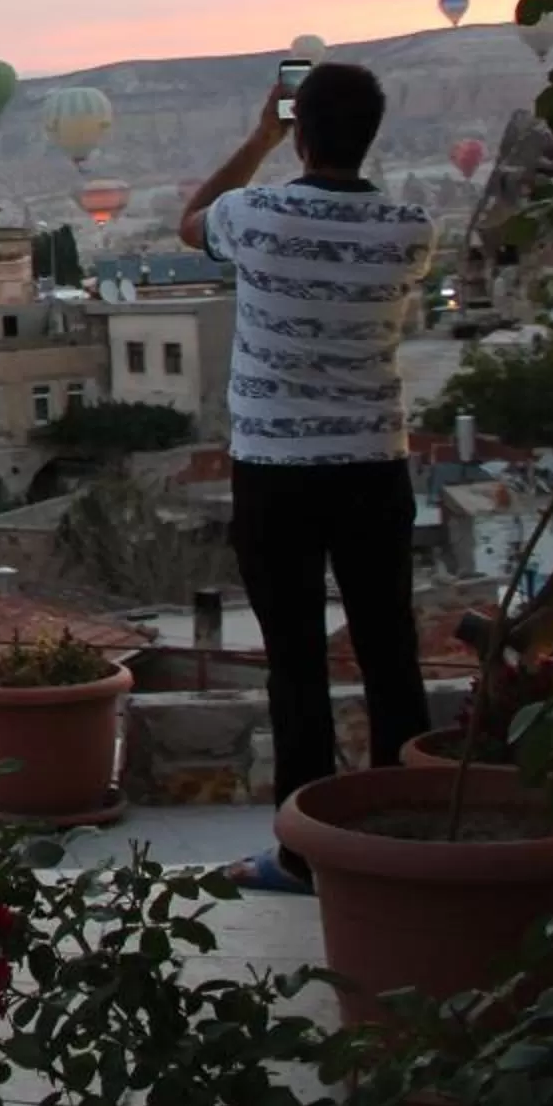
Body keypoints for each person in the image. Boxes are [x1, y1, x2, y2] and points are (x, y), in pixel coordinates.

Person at [178, 62, 438, 894]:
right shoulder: (411, 230)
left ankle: (303, 854)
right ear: (372, 132)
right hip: (373, 464)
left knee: (296, 663)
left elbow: (190, 220)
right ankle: (410, 834)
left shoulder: (255, 217)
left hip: (276, 472)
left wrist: (257, 139)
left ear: (299, 127)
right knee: (390, 651)